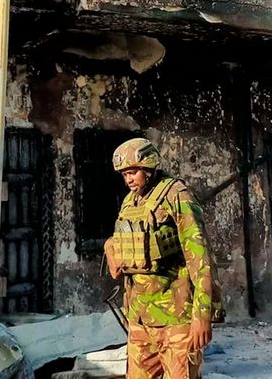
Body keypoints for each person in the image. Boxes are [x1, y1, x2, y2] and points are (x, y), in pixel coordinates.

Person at [103, 138, 217, 379]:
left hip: (176, 317)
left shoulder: (176, 195)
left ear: (148, 167)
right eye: (124, 174)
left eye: (132, 172)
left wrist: (202, 316)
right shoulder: (129, 202)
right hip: (140, 318)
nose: (128, 179)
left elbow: (200, 258)